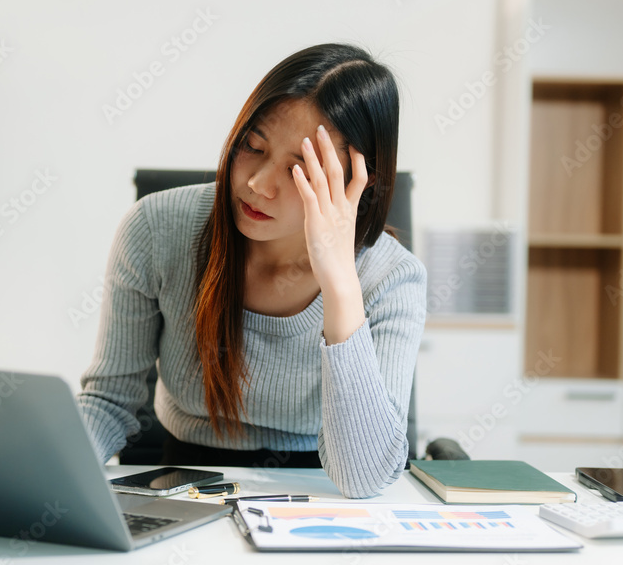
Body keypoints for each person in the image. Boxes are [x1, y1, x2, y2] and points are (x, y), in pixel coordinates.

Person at [77, 43, 426, 498]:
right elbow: (108, 402)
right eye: (252, 146)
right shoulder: (157, 229)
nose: (258, 184)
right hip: (183, 480)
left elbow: (363, 479)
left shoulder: (392, 279)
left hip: (325, 490)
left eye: (299, 169)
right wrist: (51, 479)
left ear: (363, 177)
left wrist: (340, 282)